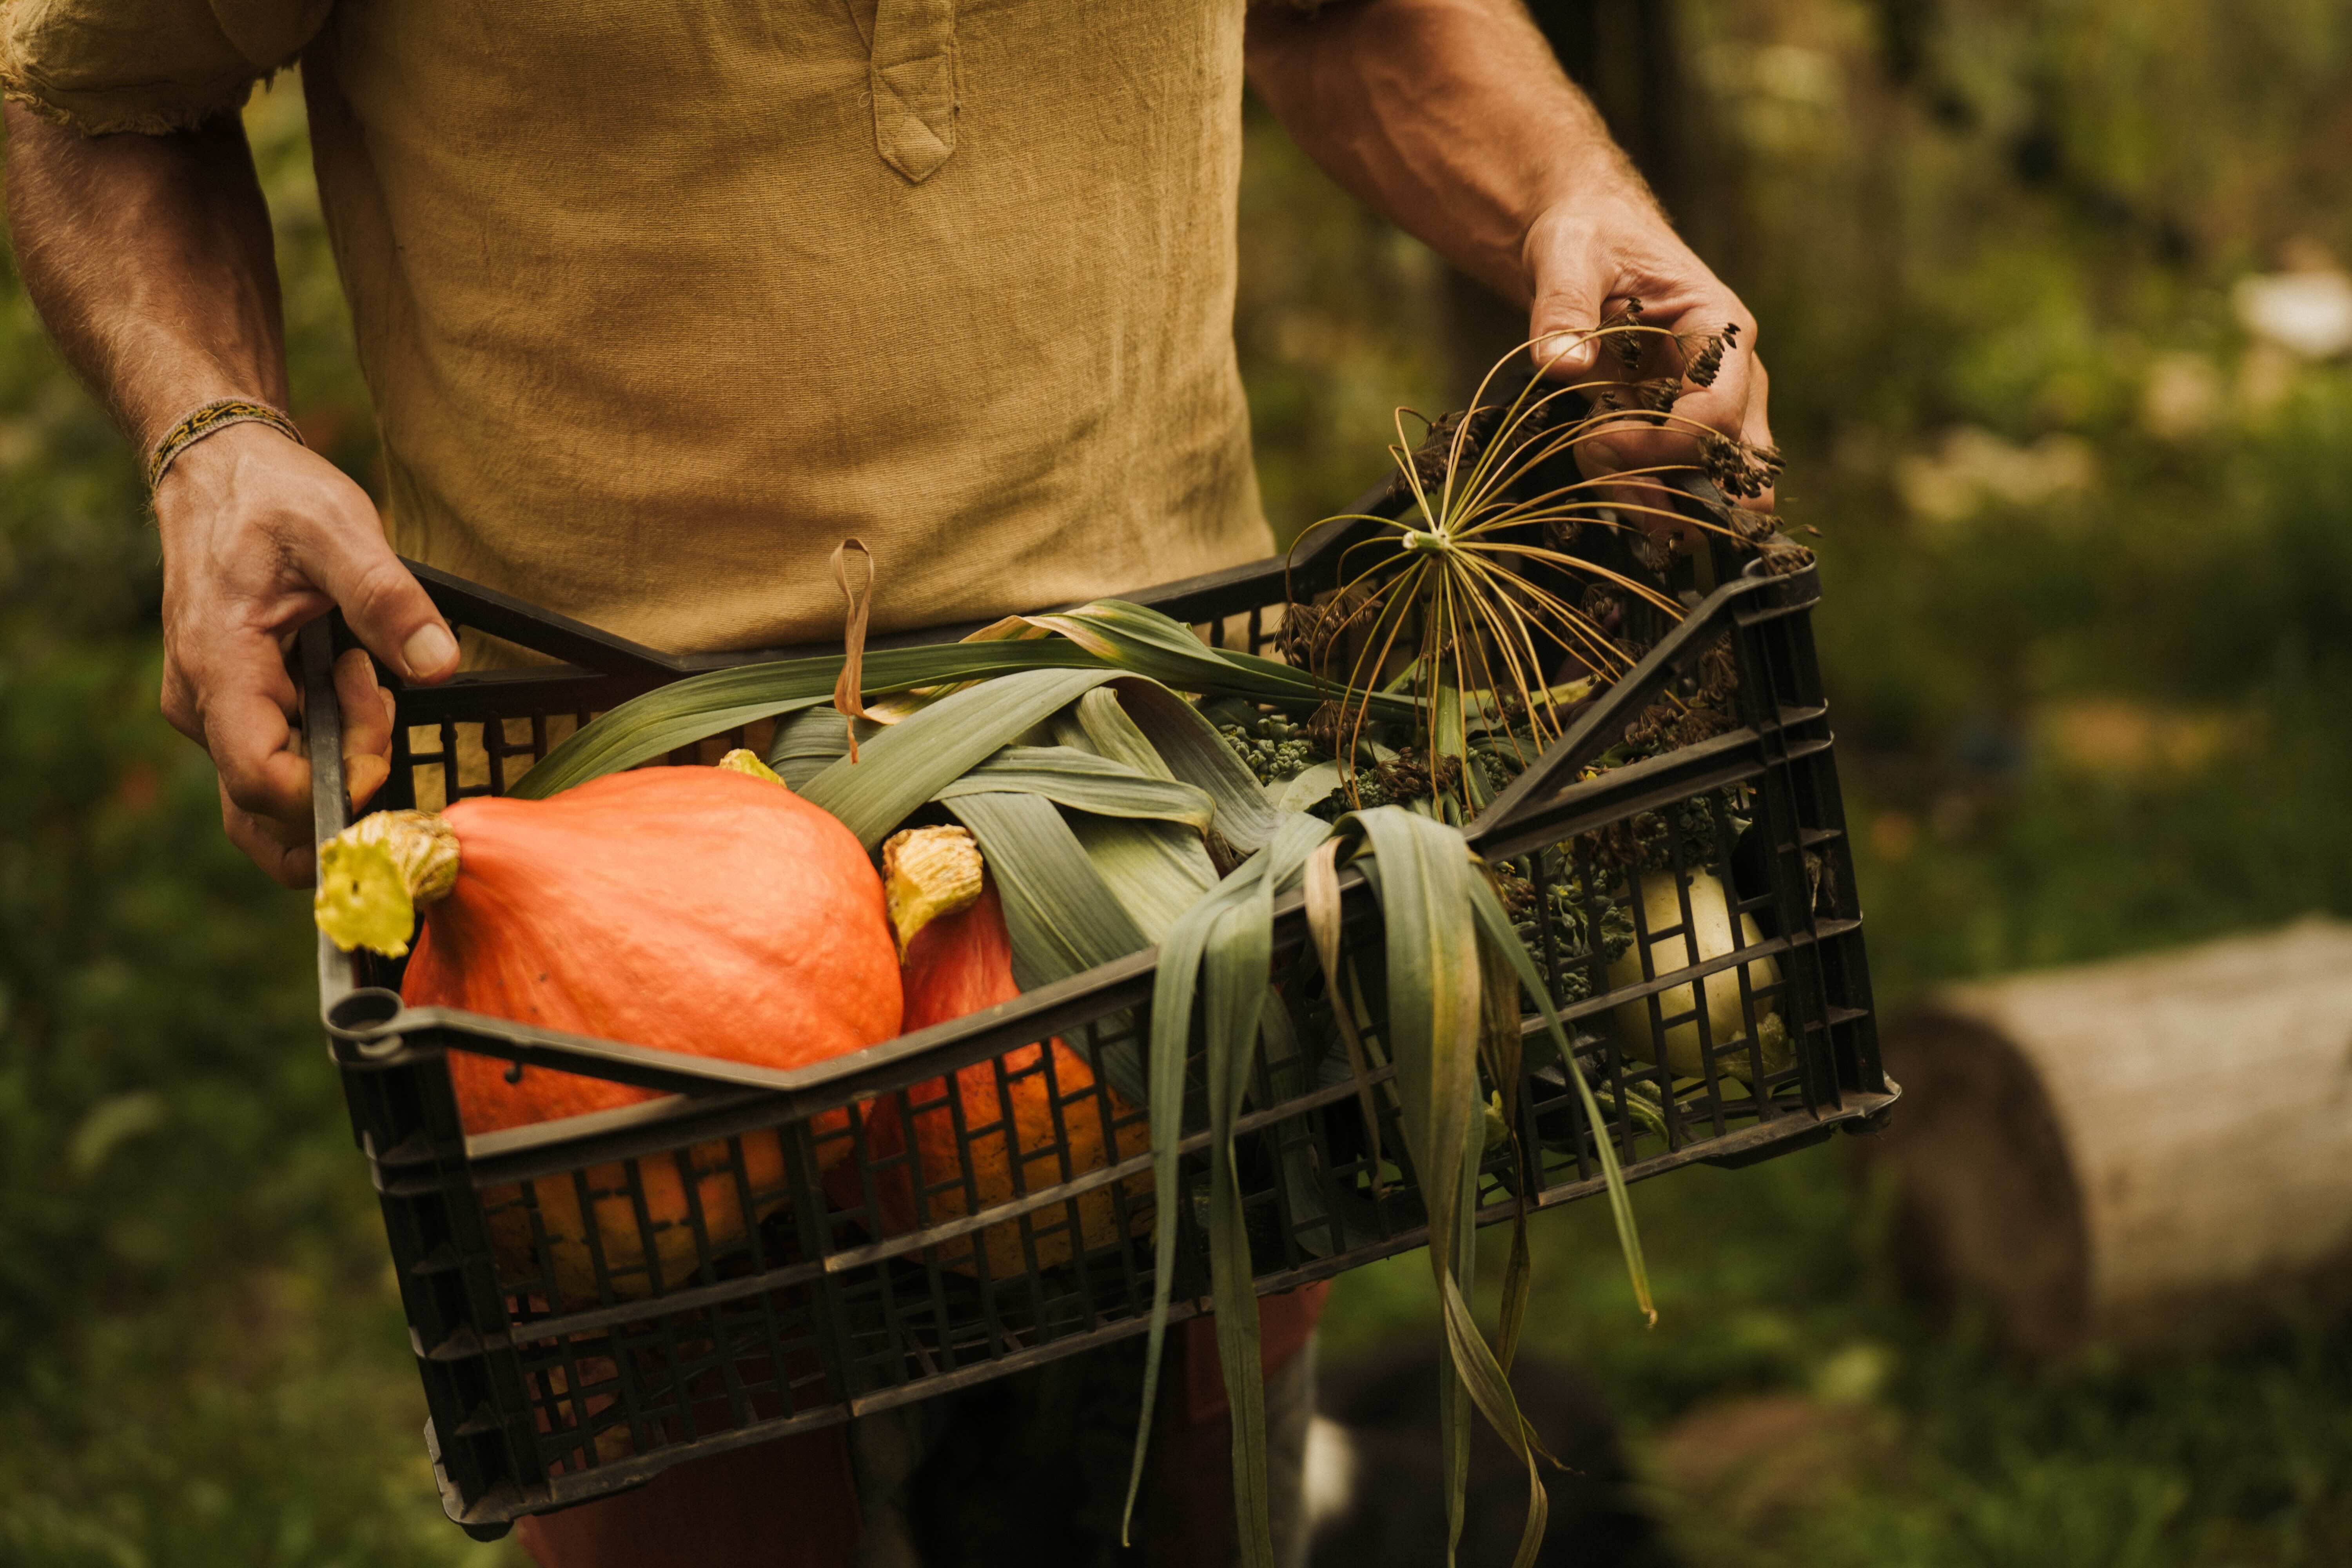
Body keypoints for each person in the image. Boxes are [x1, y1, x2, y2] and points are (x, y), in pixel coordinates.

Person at [3, 0, 1775, 1561]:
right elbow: (90, 93)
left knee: (1199, 1491)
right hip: (628, 940)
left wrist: (1569, 194)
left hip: (1174, 842)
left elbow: (1352, 19)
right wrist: (212, 438)